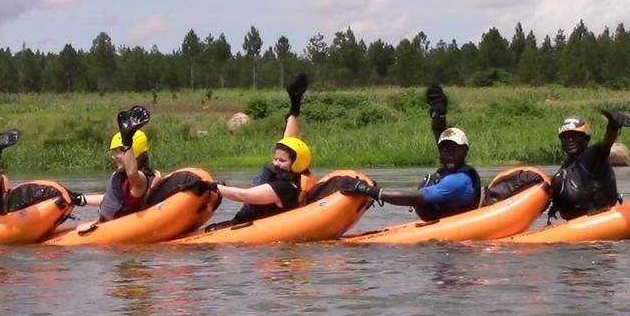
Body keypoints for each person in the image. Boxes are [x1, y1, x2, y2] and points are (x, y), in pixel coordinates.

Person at [343, 84, 480, 220]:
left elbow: (417, 198)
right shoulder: (451, 167)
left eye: (455, 149)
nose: (449, 153)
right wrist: (439, 113)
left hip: (454, 231)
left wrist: (369, 191)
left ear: (465, 151)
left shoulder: (459, 180)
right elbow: (439, 133)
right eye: (445, 149)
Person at [197, 75, 314, 226]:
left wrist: (213, 186)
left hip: (244, 225)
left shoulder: (285, 187)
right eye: (276, 158)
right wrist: (294, 107)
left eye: (282, 161)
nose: (277, 163)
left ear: (296, 163)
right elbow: (290, 138)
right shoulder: (299, 172)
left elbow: (244, 195)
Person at [547, 109, 630, 221]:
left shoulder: (593, 156)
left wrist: (613, 126)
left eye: (575, 135)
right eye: (565, 137)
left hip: (599, 219)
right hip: (574, 224)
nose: (569, 140)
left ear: (586, 138)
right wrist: (555, 206)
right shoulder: (564, 169)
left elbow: (606, 144)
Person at [74, 106, 157, 222]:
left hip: (117, 231)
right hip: (106, 225)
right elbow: (110, 199)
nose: (114, 157)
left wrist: (127, 143)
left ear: (131, 152)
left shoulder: (140, 180)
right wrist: (81, 199)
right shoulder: (123, 179)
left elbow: (132, 173)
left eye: (117, 153)